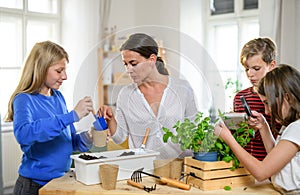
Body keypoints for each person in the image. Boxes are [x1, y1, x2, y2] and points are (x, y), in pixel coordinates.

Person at [5, 41, 94, 195]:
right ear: (41, 69)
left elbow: (69, 142)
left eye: (64, 71)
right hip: (33, 187)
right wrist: (72, 116)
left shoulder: (58, 97)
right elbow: (24, 134)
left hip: (59, 183)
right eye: (59, 71)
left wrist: (89, 137)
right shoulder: (24, 99)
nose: (64, 77)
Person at [98, 33, 198, 159]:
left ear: (152, 60)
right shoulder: (126, 95)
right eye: (125, 64)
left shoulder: (182, 89)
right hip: (143, 170)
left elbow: (195, 131)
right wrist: (110, 119)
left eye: (133, 63)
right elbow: (119, 138)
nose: (128, 69)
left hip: (180, 169)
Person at [215, 64, 300, 193]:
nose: (267, 110)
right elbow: (275, 160)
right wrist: (263, 126)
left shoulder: (296, 129)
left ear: (287, 98)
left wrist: (228, 138)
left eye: (267, 103)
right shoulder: (290, 126)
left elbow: (261, 172)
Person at [233, 37, 279, 161]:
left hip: (270, 166)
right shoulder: (240, 97)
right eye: (247, 69)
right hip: (244, 166)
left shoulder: (280, 100)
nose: (250, 74)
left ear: (272, 65)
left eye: (256, 68)